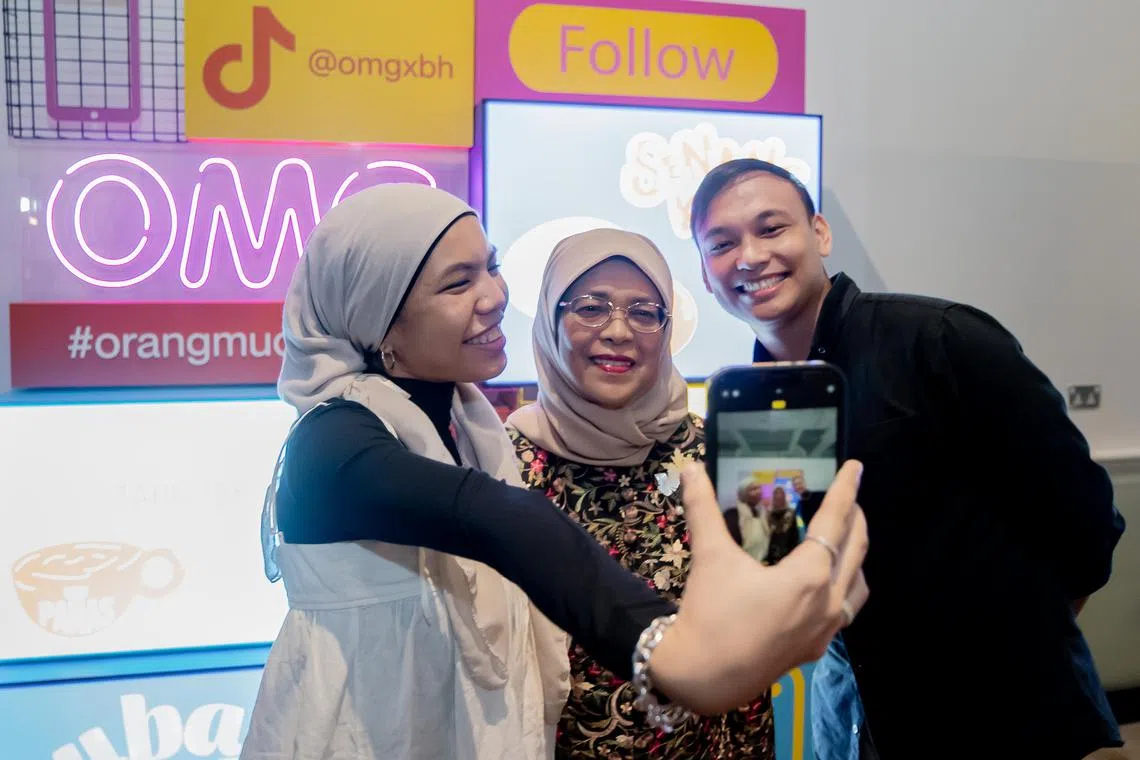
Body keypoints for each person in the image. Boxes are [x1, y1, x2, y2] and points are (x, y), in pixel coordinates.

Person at [239, 183, 870, 760]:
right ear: (378, 318)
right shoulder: (335, 441)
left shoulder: (468, 429)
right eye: (457, 283)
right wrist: (673, 651)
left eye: (490, 266)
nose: (496, 295)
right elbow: (503, 520)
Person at [690, 158, 1127, 759]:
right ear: (705, 273)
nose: (750, 256)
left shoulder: (940, 338)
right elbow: (780, 553)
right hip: (852, 713)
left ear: (819, 233)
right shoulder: (755, 398)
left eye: (771, 228)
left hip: (995, 713)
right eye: (721, 244)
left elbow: (1084, 516)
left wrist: (1022, 636)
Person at [506, 228, 776, 758]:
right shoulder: (502, 465)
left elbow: (755, 628)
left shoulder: (717, 454)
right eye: (591, 308)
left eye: (644, 312)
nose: (618, 331)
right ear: (549, 320)